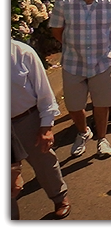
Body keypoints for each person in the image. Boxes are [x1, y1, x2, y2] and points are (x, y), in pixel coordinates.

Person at [49, 0, 111, 159]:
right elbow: (57, 31)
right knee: (74, 106)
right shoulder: (63, 3)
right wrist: (74, 45)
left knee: (101, 103)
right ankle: (83, 132)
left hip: (102, 60)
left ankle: (102, 139)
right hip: (74, 62)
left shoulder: (110, 1)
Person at [11, 40, 71, 219]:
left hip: (26, 119)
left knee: (43, 162)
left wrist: (46, 127)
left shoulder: (22, 52)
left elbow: (44, 92)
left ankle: (60, 197)